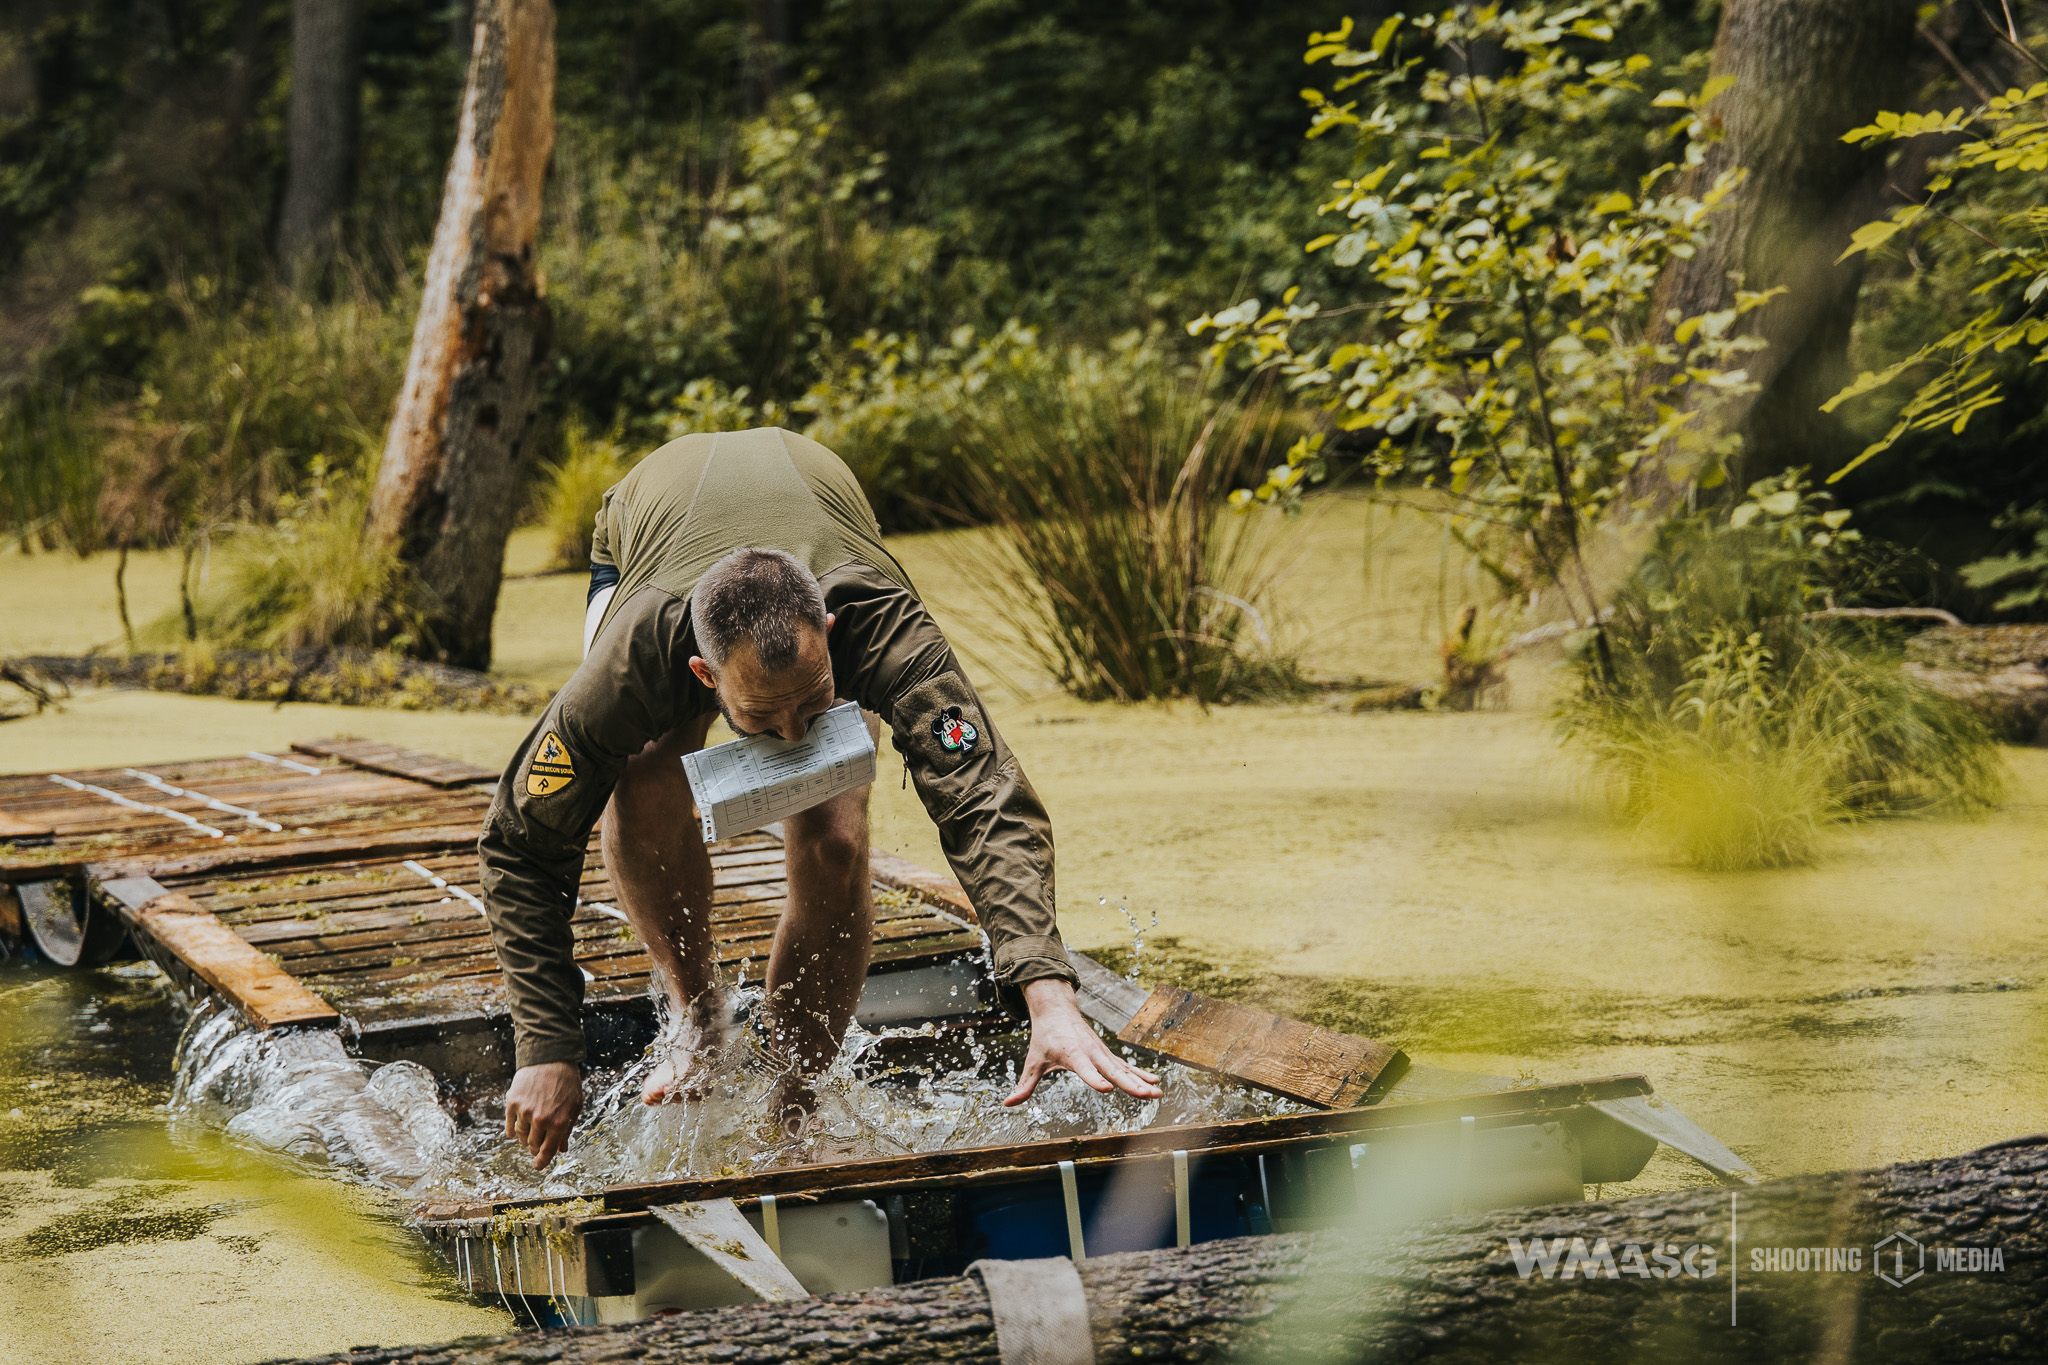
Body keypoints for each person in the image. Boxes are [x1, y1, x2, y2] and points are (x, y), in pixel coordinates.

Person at [482, 426, 1161, 1167]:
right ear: (703, 676)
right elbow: (521, 841)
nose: (789, 736)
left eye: (811, 706)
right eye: (759, 718)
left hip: (823, 511)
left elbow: (982, 791)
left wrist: (1047, 987)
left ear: (831, 637)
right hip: (648, 535)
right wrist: (546, 1044)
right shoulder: (635, 658)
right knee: (642, 773)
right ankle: (697, 1011)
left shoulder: (882, 625)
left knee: (836, 836)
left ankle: (797, 1100)